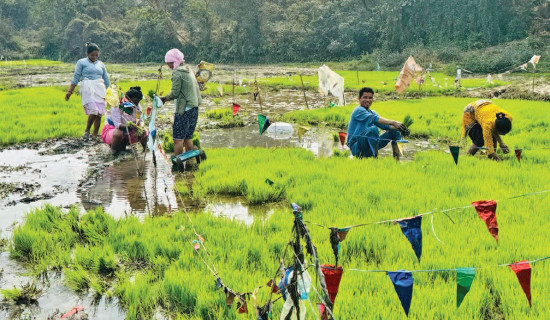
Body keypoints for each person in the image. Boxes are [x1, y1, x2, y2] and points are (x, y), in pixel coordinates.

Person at [159, 48, 202, 156]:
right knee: (188, 137)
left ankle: (177, 165)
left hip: (184, 110)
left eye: (170, 64)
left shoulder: (178, 73)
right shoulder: (188, 69)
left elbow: (175, 93)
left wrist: (163, 98)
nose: (169, 66)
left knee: (178, 140)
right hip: (194, 108)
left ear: (175, 62)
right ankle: (189, 163)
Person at [65, 42, 110, 141]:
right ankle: (86, 131)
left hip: (100, 88)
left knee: (99, 113)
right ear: (87, 54)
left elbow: (106, 78)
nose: (94, 57)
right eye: (92, 55)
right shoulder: (81, 62)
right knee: (93, 110)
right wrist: (70, 91)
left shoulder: (101, 64)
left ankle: (95, 135)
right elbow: (76, 76)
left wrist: (110, 92)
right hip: (88, 88)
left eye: (96, 55)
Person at [346, 87, 407, 159]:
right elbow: (375, 118)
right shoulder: (358, 110)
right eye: (365, 97)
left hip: (368, 146)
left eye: (370, 98)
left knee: (395, 131)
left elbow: (385, 126)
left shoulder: (372, 112)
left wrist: (400, 128)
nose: (367, 100)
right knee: (373, 129)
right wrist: (394, 122)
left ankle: (397, 160)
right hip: (356, 147)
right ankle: (375, 158)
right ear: (359, 99)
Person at [101, 87, 147, 152]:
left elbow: (141, 120)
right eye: (134, 102)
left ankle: (146, 151)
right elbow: (117, 125)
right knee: (118, 133)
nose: (135, 105)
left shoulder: (137, 104)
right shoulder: (117, 105)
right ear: (127, 99)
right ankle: (113, 152)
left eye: (138, 102)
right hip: (115, 129)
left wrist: (141, 127)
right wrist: (128, 126)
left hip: (131, 129)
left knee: (144, 131)